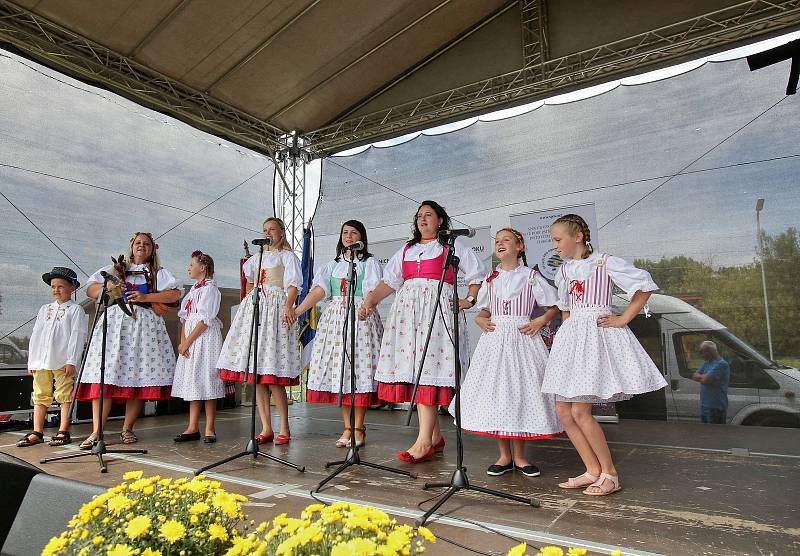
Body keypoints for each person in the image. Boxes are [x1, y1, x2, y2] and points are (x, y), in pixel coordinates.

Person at [542, 214, 667, 496]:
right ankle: (592, 470)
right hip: (573, 337)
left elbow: (644, 285)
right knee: (564, 410)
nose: (555, 245)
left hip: (596, 333)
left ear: (577, 237)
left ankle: (610, 473)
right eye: (553, 240)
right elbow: (565, 308)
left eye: (558, 239)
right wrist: (566, 335)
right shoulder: (563, 271)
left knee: (580, 410)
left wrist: (623, 318)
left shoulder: (604, 262)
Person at [359, 201, 486, 463]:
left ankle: (424, 441)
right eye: (419, 216)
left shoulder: (452, 246)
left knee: (429, 370)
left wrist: (470, 300)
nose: (422, 219)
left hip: (437, 312)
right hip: (408, 315)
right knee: (417, 370)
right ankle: (435, 437)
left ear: (440, 220)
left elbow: (477, 274)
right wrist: (370, 301)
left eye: (428, 215)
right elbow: (389, 282)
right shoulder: (407, 249)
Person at [454, 228, 563, 477]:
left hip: (522, 339)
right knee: (498, 394)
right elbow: (483, 312)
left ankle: (521, 457)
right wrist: (481, 320)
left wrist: (539, 321)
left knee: (519, 393)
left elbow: (555, 304)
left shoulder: (530, 277)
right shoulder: (491, 280)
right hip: (495, 341)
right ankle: (504, 456)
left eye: (506, 240)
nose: (500, 244)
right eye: (497, 241)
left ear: (520, 246)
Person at [77, 232, 182, 448]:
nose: (141, 246)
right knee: (104, 375)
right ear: (131, 246)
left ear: (152, 250)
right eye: (138, 243)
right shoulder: (117, 268)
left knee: (137, 375)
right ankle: (97, 431)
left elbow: (174, 294)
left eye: (146, 244)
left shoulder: (157, 273)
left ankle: (127, 428)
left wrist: (146, 297)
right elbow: (91, 288)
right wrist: (111, 287)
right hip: (116, 325)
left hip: (144, 325)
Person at [294, 220, 382, 448]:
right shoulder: (331, 265)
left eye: (354, 233)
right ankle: (346, 427)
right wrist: (298, 311)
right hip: (335, 321)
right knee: (341, 373)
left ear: (361, 237)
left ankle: (359, 428)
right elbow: (319, 291)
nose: (349, 236)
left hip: (361, 319)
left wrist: (367, 307)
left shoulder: (369, 263)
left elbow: (373, 291)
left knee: (359, 372)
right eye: (345, 232)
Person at [218, 217, 302, 445]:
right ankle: (266, 427)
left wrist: (287, 305)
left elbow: (293, 285)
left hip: (275, 307)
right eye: (264, 230)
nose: (267, 233)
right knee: (257, 376)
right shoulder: (256, 259)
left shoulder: (287, 257)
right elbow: (252, 283)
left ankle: (284, 426)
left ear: (281, 232)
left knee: (272, 374)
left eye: (272, 230)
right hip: (255, 308)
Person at [18, 267, 87, 447]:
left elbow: (77, 336)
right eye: (53, 286)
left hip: (62, 360)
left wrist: (72, 360)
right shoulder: (45, 309)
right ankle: (37, 431)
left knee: (64, 395)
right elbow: (36, 334)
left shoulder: (75, 310)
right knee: (40, 394)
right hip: (41, 360)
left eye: (61, 286)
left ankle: (63, 429)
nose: (56, 290)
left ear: (72, 288)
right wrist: (32, 360)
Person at [172, 251, 225, 443]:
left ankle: (210, 428)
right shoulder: (193, 290)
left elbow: (205, 319)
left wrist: (188, 341)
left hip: (204, 338)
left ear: (203, 267)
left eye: (191, 264)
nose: (188, 268)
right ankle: (192, 426)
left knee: (207, 379)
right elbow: (185, 317)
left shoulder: (210, 290)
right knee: (194, 380)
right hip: (191, 339)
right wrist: (182, 341)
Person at [692, 340, 730, 424]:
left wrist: (703, 377)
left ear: (710, 352)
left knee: (716, 434)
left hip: (716, 407)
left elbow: (705, 380)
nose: (701, 355)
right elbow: (694, 376)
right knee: (706, 434)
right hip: (704, 406)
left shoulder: (722, 364)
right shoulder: (707, 363)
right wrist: (705, 376)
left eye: (702, 352)